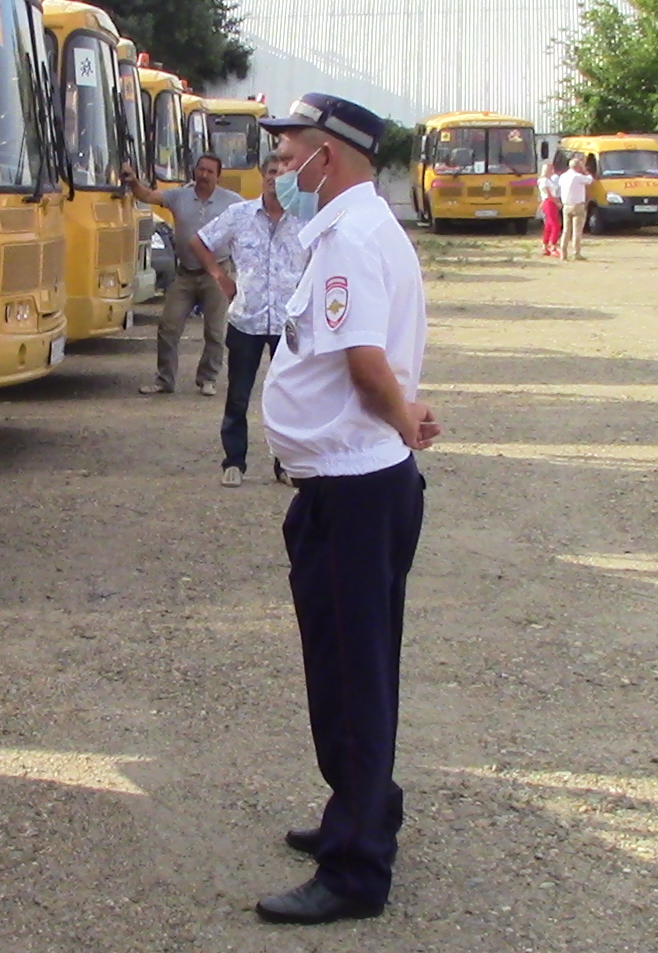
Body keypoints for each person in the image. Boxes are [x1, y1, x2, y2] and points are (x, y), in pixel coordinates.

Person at [253, 93, 438, 925]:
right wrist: (404, 416)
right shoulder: (350, 231)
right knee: (352, 664)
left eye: (290, 150)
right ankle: (360, 807)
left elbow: (364, 359)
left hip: (354, 489)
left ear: (331, 153)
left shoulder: (349, 239)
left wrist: (402, 418)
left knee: (351, 678)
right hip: (351, 482)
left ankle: (357, 868)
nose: (280, 164)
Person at [183, 152, 306, 486]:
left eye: (282, 173)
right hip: (246, 319)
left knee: (287, 397)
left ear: (291, 179)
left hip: (288, 324)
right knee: (238, 394)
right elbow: (199, 241)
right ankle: (233, 461)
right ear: (262, 177)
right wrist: (220, 277)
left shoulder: (305, 219)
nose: (274, 177)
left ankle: (286, 465)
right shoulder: (239, 215)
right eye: (270, 171)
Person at [124, 153, 242, 395]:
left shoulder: (232, 202)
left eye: (210, 171)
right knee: (168, 325)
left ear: (218, 176)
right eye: (201, 170)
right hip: (185, 273)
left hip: (217, 272)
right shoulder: (179, 196)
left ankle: (208, 379)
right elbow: (147, 195)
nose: (204, 175)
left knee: (215, 330)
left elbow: (251, 221)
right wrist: (133, 181)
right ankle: (164, 380)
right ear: (194, 171)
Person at [557, 155, 595, 260]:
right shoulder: (577, 177)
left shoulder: (563, 176)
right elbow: (590, 180)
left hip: (566, 205)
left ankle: (563, 253)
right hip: (577, 205)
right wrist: (584, 170)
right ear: (578, 167)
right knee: (577, 231)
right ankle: (576, 252)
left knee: (566, 230)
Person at [538, 153, 564, 257]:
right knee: (555, 225)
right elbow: (549, 194)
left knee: (549, 225)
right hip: (549, 202)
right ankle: (552, 245)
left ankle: (545, 246)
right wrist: (557, 202)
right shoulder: (544, 180)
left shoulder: (548, 180)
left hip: (550, 202)